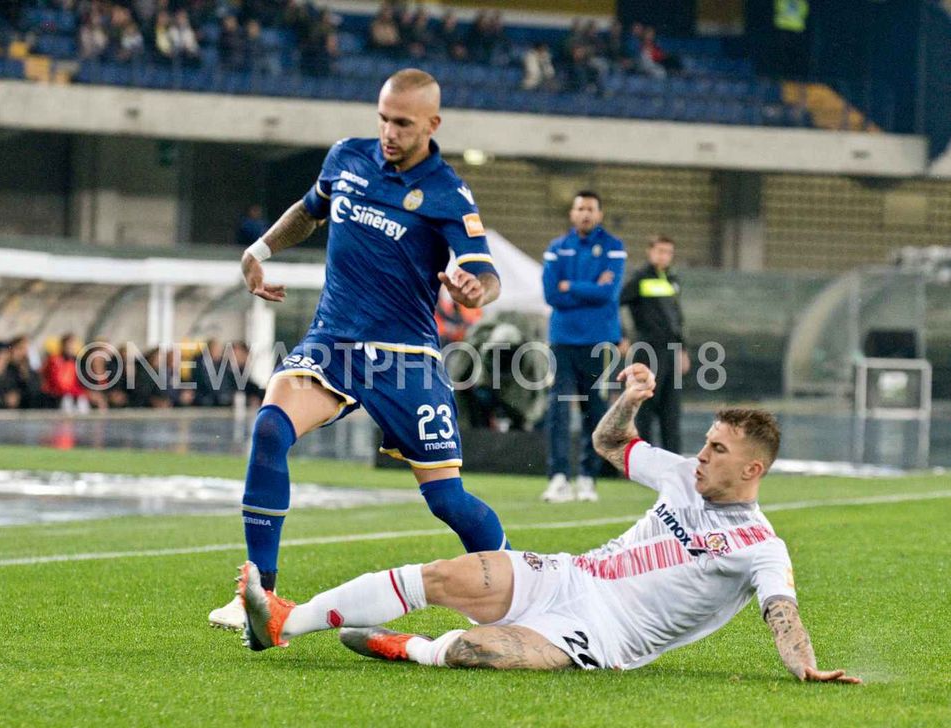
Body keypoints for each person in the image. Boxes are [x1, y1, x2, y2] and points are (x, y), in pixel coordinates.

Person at [236, 363, 862, 686]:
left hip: (603, 635)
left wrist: (803, 666)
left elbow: (782, 614)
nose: (701, 455)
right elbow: (610, 443)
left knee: (482, 651)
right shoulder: (681, 474)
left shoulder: (761, 548)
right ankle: (285, 621)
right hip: (568, 575)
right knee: (445, 574)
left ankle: (410, 648)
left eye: (717, 450)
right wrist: (629, 402)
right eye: (705, 442)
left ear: (752, 469)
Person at [209, 68, 510, 632]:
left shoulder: (447, 192)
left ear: (432, 124)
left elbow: (484, 272)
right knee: (270, 427)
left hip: (406, 357)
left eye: (403, 124)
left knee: (447, 500)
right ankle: (259, 595)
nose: (389, 132)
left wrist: (477, 290)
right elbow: (309, 210)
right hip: (334, 343)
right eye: (383, 119)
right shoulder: (346, 157)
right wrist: (259, 250)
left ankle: (523, 590)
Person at [540, 191, 626, 503]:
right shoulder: (556, 248)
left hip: (599, 341)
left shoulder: (614, 247)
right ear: (572, 213)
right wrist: (589, 288)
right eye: (580, 208)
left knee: (596, 410)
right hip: (562, 340)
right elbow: (551, 294)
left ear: (599, 214)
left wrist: (571, 286)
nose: (585, 213)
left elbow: (608, 293)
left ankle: (588, 478)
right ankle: (559, 477)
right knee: (558, 410)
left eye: (590, 209)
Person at [621, 235, 688, 453]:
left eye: (668, 252)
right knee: (645, 408)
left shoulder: (672, 280)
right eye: (660, 251)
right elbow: (615, 304)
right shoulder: (640, 279)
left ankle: (674, 460)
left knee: (671, 410)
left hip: (671, 351)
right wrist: (621, 336)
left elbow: (677, 318)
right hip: (648, 350)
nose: (664, 256)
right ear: (650, 252)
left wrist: (683, 349)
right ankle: (644, 459)